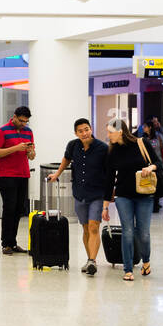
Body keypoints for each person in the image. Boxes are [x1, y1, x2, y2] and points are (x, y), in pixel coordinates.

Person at [49, 118, 110, 276]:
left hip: (97, 193)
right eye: (80, 131)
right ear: (76, 133)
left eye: (86, 129)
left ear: (91, 129)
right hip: (80, 193)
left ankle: (92, 261)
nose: (84, 133)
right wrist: (57, 174)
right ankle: (90, 259)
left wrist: (109, 196)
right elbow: (66, 159)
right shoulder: (73, 145)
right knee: (85, 228)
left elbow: (110, 172)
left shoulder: (102, 148)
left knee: (93, 227)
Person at [104, 119, 159, 282]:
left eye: (110, 132)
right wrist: (105, 206)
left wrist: (150, 168)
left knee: (143, 233)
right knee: (127, 231)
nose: (108, 136)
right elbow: (109, 179)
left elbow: (158, 163)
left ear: (120, 131)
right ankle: (128, 269)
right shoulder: (113, 151)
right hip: (123, 196)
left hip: (144, 195)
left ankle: (146, 261)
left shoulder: (142, 143)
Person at [0, 105, 35, 255]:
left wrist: (30, 152)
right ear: (14, 117)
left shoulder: (28, 132)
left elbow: (32, 155)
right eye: (21, 121)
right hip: (6, 175)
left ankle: (13, 242)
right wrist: (16, 148)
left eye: (26, 121)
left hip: (23, 175)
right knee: (9, 208)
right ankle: (6, 243)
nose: (23, 124)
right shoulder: (2, 131)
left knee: (18, 210)